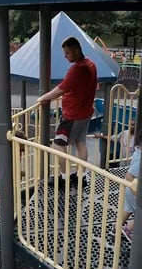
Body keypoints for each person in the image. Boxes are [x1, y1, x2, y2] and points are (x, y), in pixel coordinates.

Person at [36, 36, 97, 187]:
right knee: (80, 142)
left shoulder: (77, 68)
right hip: (86, 112)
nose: (65, 56)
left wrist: (42, 98)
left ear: (76, 50)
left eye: (67, 53)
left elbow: (60, 89)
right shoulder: (90, 64)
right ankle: (81, 176)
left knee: (58, 143)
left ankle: (64, 178)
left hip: (73, 115)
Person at [120, 144, 141, 241]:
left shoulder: (137, 152)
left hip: (130, 189)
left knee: (128, 208)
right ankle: (128, 230)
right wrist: (137, 192)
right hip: (135, 190)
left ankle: (116, 229)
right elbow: (129, 175)